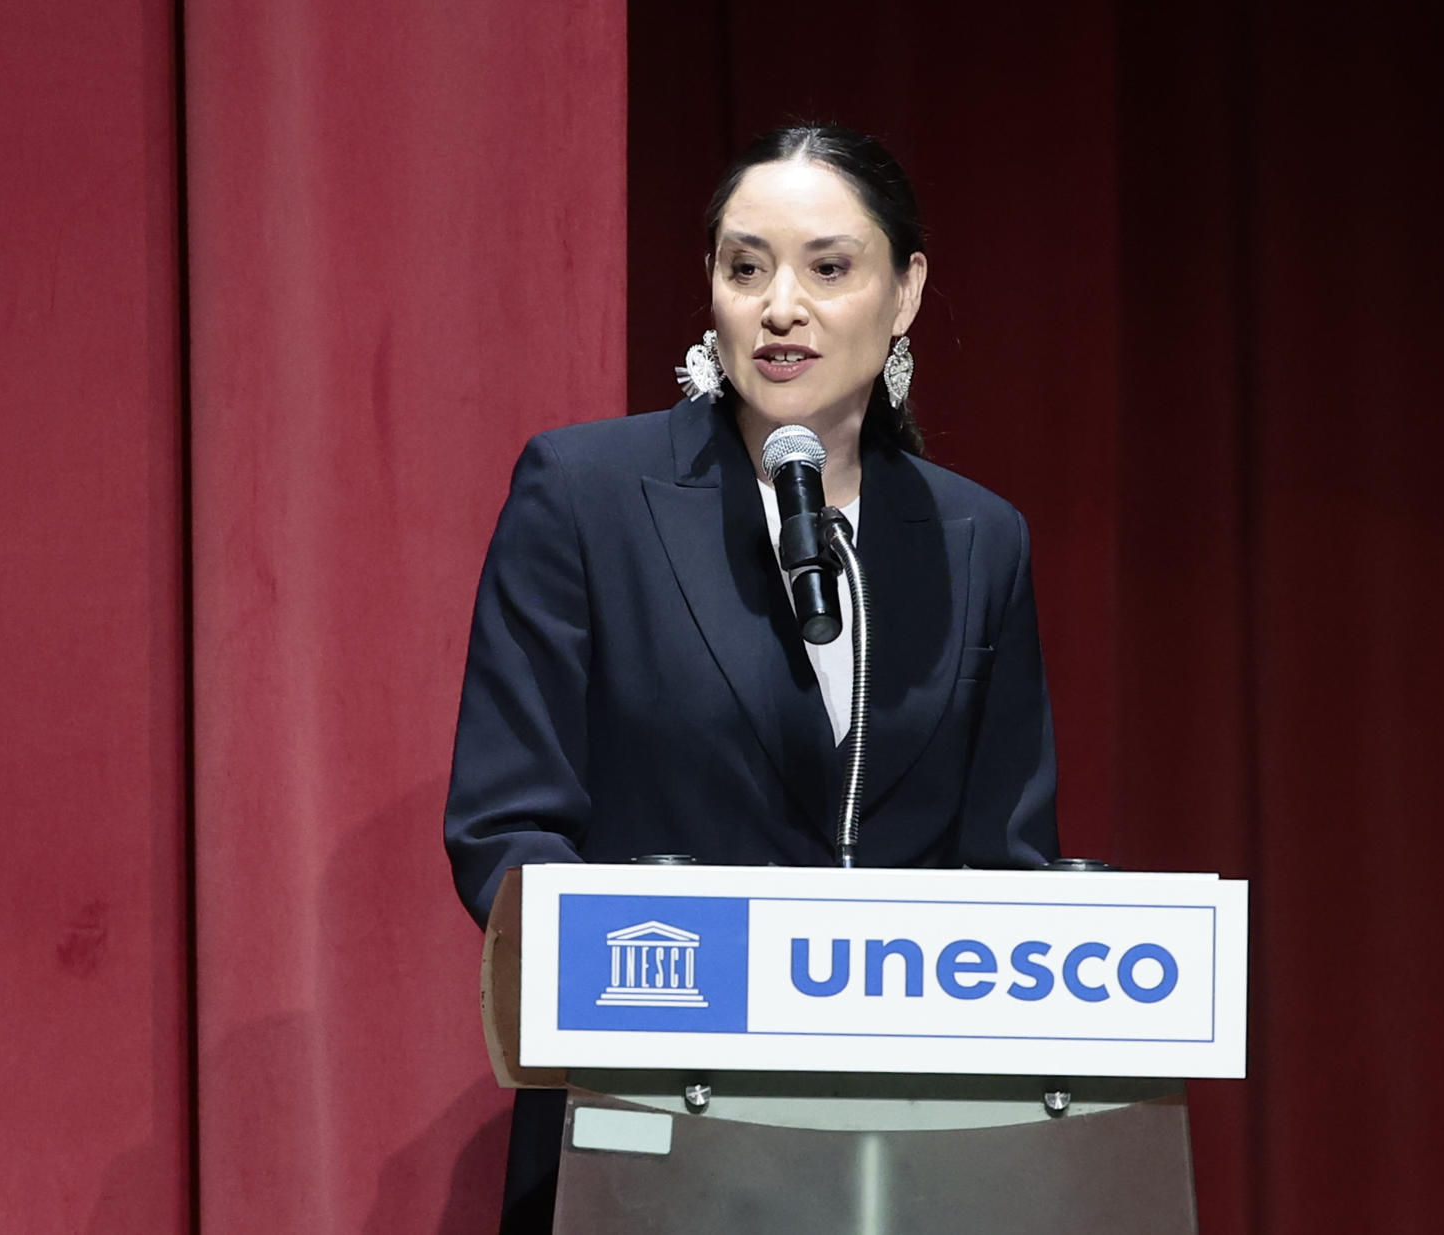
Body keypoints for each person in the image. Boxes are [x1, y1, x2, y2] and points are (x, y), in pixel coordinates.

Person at [444, 124, 1059, 1233]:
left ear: (906, 290)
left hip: (903, 1150)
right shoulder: (586, 496)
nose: (782, 306)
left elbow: (1003, 861)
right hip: (646, 1127)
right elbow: (506, 827)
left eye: (829, 268)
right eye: (746, 267)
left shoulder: (980, 538)